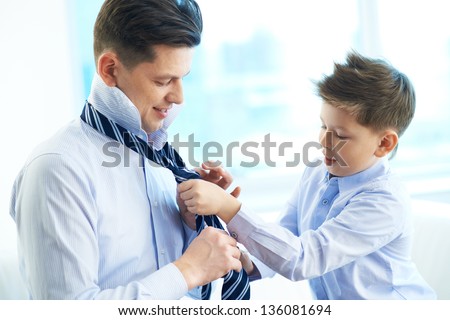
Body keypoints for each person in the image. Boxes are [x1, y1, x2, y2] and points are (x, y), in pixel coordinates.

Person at [9, 0, 244, 300]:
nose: (178, 96)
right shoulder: (57, 169)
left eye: (183, 78)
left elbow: (178, 289)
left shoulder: (164, 164)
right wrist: (188, 270)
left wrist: (193, 224)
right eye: (163, 80)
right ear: (110, 70)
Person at [178, 51, 437, 299]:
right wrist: (246, 261)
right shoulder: (317, 170)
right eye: (323, 125)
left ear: (384, 144)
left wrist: (228, 207)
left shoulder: (384, 202)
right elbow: (287, 237)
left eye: (341, 135)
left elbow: (303, 259)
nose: (323, 141)